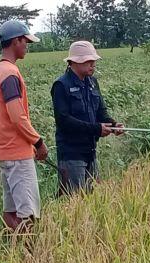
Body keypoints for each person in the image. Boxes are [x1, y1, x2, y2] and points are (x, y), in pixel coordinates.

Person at [0, 20, 48, 232]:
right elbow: (17, 116)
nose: (27, 46)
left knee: (11, 211)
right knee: (28, 214)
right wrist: (37, 141)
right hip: (17, 154)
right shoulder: (10, 73)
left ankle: (15, 255)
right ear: (16, 41)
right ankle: (29, 258)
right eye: (26, 41)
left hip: (5, 151)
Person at [51, 41, 124, 195]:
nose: (93, 65)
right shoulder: (61, 85)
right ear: (75, 62)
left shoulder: (92, 82)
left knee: (93, 198)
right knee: (74, 201)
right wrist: (96, 129)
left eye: (94, 61)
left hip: (90, 151)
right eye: (89, 61)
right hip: (71, 154)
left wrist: (113, 124)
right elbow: (64, 121)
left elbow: (100, 112)